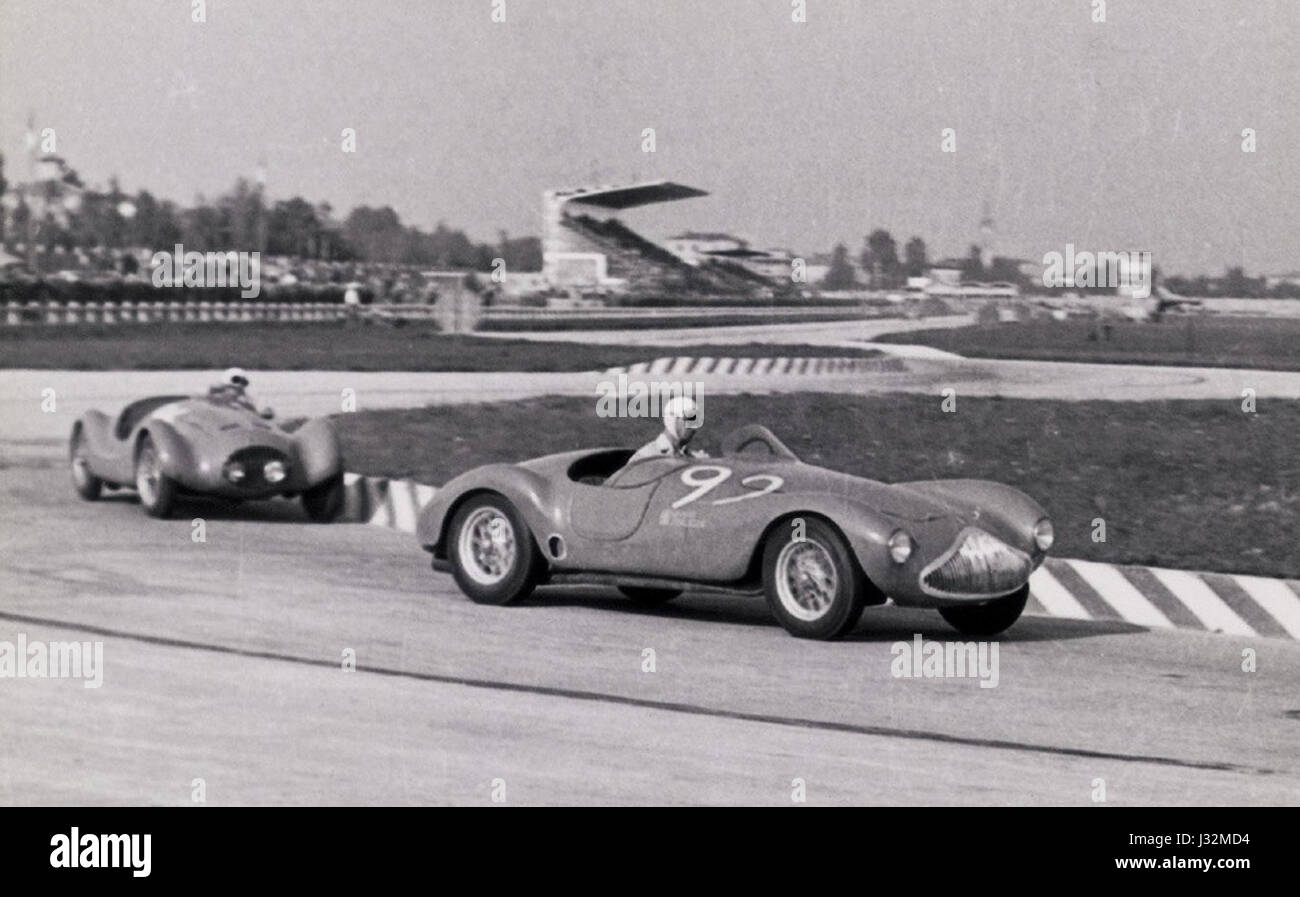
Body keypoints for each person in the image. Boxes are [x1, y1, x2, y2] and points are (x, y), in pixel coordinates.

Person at [627, 395, 705, 464]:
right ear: (672, 419)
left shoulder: (696, 458)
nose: (694, 427)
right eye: (689, 419)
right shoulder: (645, 458)